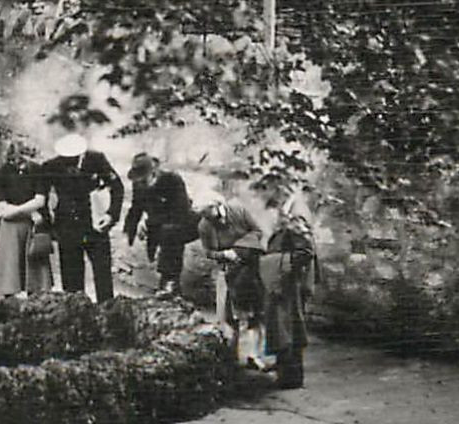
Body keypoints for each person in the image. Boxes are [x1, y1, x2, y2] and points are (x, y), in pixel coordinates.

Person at [41, 133, 124, 302]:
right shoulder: (51, 166)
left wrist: (111, 215)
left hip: (95, 224)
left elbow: (117, 187)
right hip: (67, 226)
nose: (70, 160)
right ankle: (77, 315)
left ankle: (107, 312)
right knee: (72, 282)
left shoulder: (96, 160)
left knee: (103, 274)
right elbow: (41, 198)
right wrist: (49, 227)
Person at [258, 189, 318, 389]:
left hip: (289, 284)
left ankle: (290, 376)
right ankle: (285, 371)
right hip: (284, 282)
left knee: (289, 328)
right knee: (282, 327)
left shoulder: (295, 218)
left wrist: (276, 265)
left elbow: (305, 253)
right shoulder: (288, 217)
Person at [197, 193, 267, 360]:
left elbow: (257, 231)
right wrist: (224, 255)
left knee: (253, 314)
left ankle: (253, 356)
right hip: (226, 270)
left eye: (208, 212)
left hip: (250, 269)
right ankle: (231, 357)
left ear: (217, 205)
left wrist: (239, 249)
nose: (206, 218)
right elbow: (208, 252)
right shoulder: (204, 225)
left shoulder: (239, 211)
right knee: (227, 317)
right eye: (203, 215)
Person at [124, 153, 198, 295]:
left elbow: (180, 212)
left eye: (144, 179)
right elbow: (135, 208)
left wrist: (148, 223)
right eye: (138, 180)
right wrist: (129, 233)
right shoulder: (139, 185)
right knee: (164, 232)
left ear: (153, 173)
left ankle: (171, 282)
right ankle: (162, 279)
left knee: (171, 232)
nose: (141, 183)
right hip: (158, 224)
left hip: (184, 222)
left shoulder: (172, 180)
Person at [0, 141, 53, 296]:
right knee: (9, 281)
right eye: (18, 160)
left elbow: (40, 200)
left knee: (37, 283)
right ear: (10, 158)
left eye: (25, 159)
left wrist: (14, 210)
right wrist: (29, 212)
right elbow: (0, 210)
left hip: (33, 230)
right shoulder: (0, 173)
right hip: (11, 229)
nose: (23, 165)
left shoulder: (37, 171)